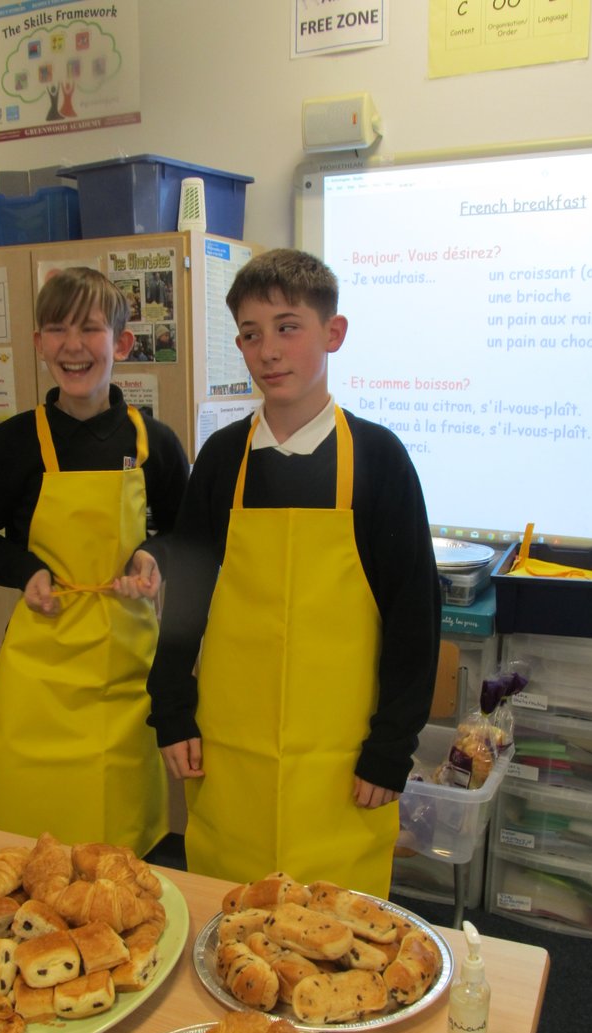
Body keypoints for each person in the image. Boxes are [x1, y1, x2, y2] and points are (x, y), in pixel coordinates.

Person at [147, 248, 440, 897]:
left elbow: (414, 620)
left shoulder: (379, 460)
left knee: (336, 937)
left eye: (288, 327)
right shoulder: (223, 460)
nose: (268, 350)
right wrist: (172, 710)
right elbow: (186, 599)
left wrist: (392, 748)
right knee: (230, 920)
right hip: (233, 753)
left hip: (343, 764)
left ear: (332, 334)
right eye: (251, 334)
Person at [0, 267, 189, 854]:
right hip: (41, 669)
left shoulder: (153, 443)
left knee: (119, 847)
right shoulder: (10, 444)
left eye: (91, 329)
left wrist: (151, 556)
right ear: (38, 344)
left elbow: (186, 534)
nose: (72, 345)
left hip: (127, 668)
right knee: (31, 839)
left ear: (122, 344)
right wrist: (23, 570)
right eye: (56, 329)